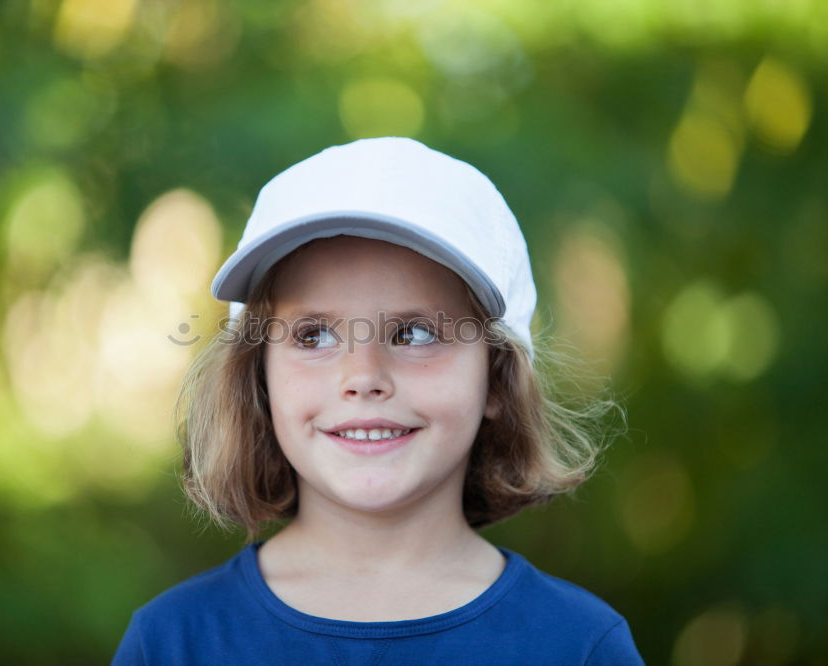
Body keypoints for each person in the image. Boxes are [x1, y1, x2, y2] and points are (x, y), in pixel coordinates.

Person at [111, 137, 645, 664]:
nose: (363, 377)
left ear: (498, 378)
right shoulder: (172, 642)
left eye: (414, 334)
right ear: (259, 378)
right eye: (314, 336)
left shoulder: (578, 645)